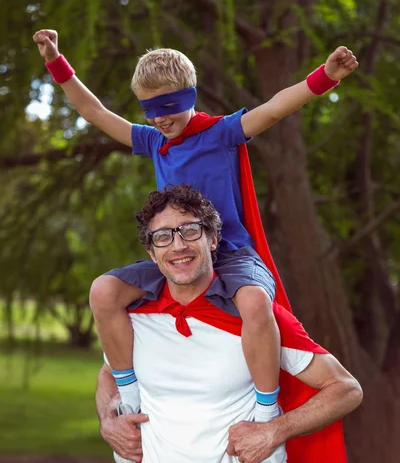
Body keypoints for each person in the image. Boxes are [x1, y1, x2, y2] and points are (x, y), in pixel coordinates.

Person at [33, 29, 358, 463]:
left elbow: (276, 108)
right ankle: (131, 395)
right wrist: (56, 60)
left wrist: (327, 76)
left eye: (167, 107)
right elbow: (93, 111)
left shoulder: (221, 133)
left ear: (189, 95)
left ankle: (265, 406)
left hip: (232, 253)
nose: (160, 119)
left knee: (256, 303)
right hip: (175, 251)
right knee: (104, 291)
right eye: (150, 110)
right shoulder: (153, 141)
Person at [95, 183, 363, 463]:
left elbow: (346, 389)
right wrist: (108, 419)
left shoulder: (255, 317)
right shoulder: (134, 315)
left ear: (212, 240)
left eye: (190, 231)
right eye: (162, 237)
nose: (178, 246)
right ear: (152, 254)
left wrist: (274, 430)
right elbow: (108, 375)